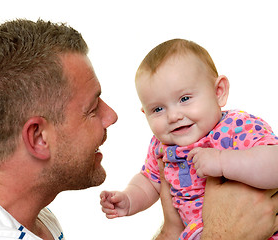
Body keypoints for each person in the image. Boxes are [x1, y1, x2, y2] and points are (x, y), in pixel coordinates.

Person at [0, 20, 276, 240]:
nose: (113, 116)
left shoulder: (32, 219)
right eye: (93, 108)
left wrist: (170, 231)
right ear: (39, 137)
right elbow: (148, 180)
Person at [100, 38, 278, 239]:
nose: (173, 116)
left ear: (219, 92)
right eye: (158, 109)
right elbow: (149, 181)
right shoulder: (161, 147)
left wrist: (222, 160)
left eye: (184, 99)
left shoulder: (236, 127)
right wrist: (129, 198)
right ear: (145, 113)